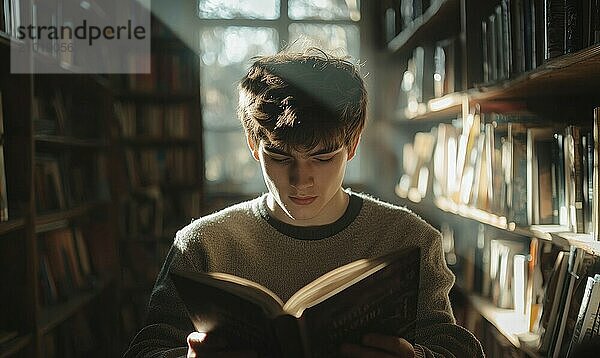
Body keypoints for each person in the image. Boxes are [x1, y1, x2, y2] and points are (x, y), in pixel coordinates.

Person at [124, 48, 484, 358]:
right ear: (253, 144)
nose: (301, 179)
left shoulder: (409, 239)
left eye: (323, 157)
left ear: (353, 144)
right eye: (280, 157)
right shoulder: (202, 245)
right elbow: (146, 348)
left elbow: (456, 346)